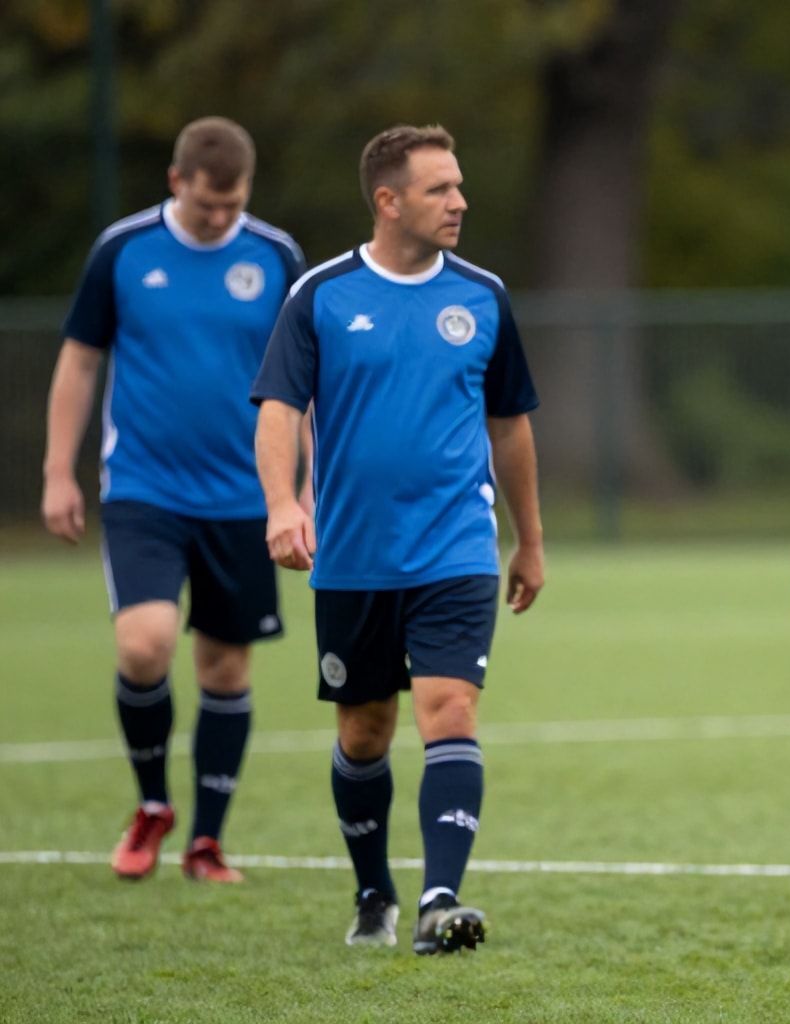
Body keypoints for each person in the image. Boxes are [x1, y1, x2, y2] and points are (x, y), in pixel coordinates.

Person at [251, 124, 544, 954]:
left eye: (458, 185)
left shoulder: (483, 297)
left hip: (457, 547)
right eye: (438, 189)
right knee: (364, 733)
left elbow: (510, 425)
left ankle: (439, 901)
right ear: (388, 201)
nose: (459, 202)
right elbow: (278, 409)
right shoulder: (320, 295)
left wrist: (529, 538)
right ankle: (374, 893)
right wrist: (281, 505)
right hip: (353, 555)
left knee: (449, 708)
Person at [43, 116, 304, 883]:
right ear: (176, 181)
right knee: (144, 644)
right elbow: (79, 361)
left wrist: (304, 491)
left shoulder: (277, 256)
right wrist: (58, 471)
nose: (220, 217)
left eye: (234, 203)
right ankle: (153, 804)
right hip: (144, 488)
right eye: (206, 203)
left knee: (225, 667)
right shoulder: (124, 250)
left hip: (246, 497)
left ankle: (206, 841)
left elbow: (306, 385)